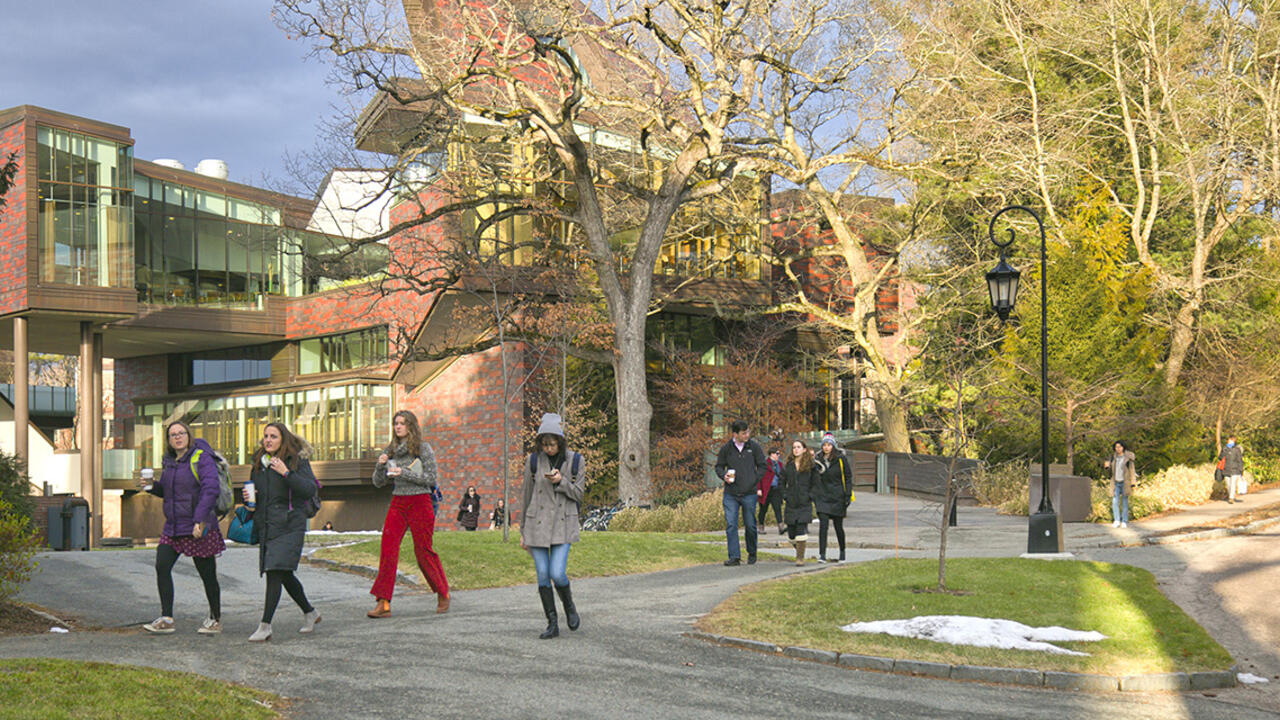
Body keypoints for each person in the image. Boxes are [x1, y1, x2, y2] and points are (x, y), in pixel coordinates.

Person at [140, 421, 224, 634]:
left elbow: (210, 489)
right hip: (174, 526)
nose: (177, 437)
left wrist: (200, 519)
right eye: (173, 435)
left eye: (181, 433)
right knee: (162, 565)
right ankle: (167, 618)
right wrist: (152, 487)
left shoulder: (201, 457)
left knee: (207, 574)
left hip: (198, 525)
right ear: (168, 440)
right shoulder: (169, 461)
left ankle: (215, 619)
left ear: (189, 435)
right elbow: (169, 493)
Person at [367, 410, 450, 619]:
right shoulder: (391, 450)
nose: (398, 427)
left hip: (420, 501)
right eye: (396, 423)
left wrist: (403, 473)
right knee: (388, 548)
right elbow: (378, 482)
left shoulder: (423, 448)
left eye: (402, 423)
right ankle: (383, 602)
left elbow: (431, 478)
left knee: (423, 552)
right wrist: (379, 465)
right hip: (398, 501)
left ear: (411, 426)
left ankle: (442, 592)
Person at [246, 422, 321, 642]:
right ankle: (310, 612)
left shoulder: (296, 460)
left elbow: (309, 489)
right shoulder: (259, 463)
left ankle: (265, 625)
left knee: (274, 571)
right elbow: (259, 493)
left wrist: (286, 473)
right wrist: (250, 498)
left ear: (283, 439)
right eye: (265, 436)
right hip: (268, 524)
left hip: (290, 524)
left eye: (273, 436)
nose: (268, 440)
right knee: (284, 573)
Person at [521, 413, 585, 639]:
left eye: (552, 444)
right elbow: (526, 496)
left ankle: (569, 607)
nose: (548, 449)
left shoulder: (575, 461)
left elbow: (578, 494)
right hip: (535, 525)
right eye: (544, 444)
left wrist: (561, 482)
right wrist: (522, 532)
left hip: (563, 524)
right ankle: (552, 623)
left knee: (557, 573)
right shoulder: (533, 461)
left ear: (560, 441)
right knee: (542, 575)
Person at [714, 420, 766, 566]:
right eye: (743, 433)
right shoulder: (726, 449)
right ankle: (734, 556)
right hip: (731, 493)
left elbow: (762, 466)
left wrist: (754, 479)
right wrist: (723, 475)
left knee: (750, 525)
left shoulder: (753, 447)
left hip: (749, 493)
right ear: (735, 434)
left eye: (748, 432)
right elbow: (718, 466)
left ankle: (752, 551)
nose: (747, 435)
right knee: (731, 524)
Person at [813, 432, 852, 563]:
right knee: (823, 526)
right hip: (822, 496)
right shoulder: (817, 459)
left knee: (838, 526)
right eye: (824, 445)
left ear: (833, 446)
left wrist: (847, 494)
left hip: (837, 496)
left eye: (829, 445)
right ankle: (822, 554)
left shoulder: (841, 459)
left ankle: (842, 552)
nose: (826, 447)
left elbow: (847, 477)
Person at [780, 439, 817, 566]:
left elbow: (816, 483)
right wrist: (785, 495)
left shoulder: (811, 466)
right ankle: (800, 551)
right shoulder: (788, 466)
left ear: (804, 449)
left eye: (799, 447)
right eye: (794, 447)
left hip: (804, 502)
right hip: (791, 503)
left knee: (801, 530)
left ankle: (799, 558)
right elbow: (781, 482)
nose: (796, 449)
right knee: (791, 534)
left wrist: (810, 496)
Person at [1103, 441, 1136, 528]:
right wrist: (1107, 465)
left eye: (1120, 447)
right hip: (1115, 482)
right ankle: (1117, 520)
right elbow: (1108, 468)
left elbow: (1132, 470)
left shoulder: (1128, 458)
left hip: (1125, 482)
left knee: (1124, 502)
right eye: (1116, 447)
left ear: (1123, 447)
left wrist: (1133, 482)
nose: (1118, 449)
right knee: (1114, 501)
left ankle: (1124, 520)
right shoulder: (1113, 457)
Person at [756, 447, 785, 535]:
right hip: (766, 489)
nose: (778, 455)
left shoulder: (779, 464)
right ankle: (761, 526)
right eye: (777, 453)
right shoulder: (764, 464)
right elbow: (759, 477)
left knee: (777, 508)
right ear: (771, 454)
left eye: (778, 454)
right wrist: (759, 489)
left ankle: (781, 526)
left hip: (776, 489)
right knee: (763, 509)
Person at [1218, 435, 1245, 504]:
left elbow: (1239, 460)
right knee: (1228, 484)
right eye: (1229, 440)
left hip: (1234, 469)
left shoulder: (1237, 449)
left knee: (1232, 484)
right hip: (1226, 469)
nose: (1230, 441)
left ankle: (1231, 497)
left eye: (1231, 440)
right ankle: (1231, 495)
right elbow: (1220, 457)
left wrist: (1240, 470)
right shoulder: (1225, 448)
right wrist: (1224, 451)